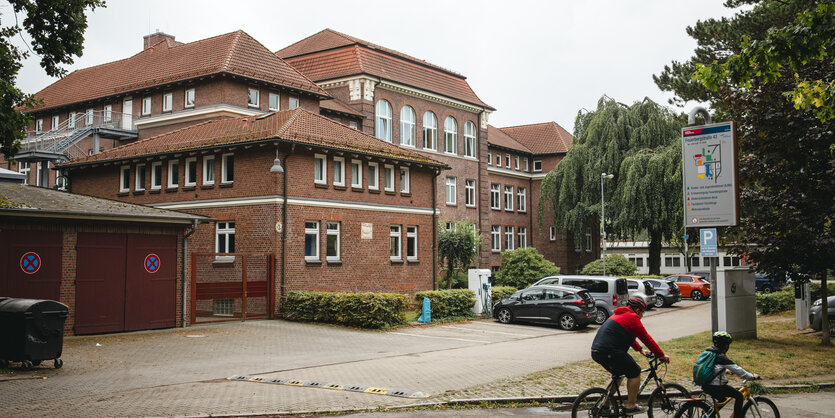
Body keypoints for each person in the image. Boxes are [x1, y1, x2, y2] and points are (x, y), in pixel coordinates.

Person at [590, 297, 670, 415]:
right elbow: (647, 339)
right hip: (610, 352)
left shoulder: (619, 315)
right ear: (638, 310)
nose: (642, 315)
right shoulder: (633, 318)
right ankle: (630, 406)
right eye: (643, 312)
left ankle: (605, 406)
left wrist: (640, 350)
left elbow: (629, 333)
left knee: (618, 375)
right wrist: (661, 355)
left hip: (597, 351)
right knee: (634, 371)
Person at [702, 331, 760, 417]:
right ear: (725, 345)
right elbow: (738, 370)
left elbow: (711, 368)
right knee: (739, 396)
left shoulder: (710, 353)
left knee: (722, 399)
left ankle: (709, 415)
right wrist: (752, 377)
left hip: (706, 385)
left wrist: (725, 371)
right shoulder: (721, 357)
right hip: (716, 386)